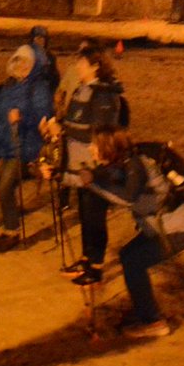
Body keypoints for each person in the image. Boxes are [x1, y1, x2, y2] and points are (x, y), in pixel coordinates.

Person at [75, 126, 184, 339]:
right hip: (170, 227)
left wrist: (92, 184)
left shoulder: (136, 165)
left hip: (178, 229)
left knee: (134, 260)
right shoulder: (125, 162)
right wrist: (59, 174)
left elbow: (126, 197)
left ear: (106, 147)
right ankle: (147, 313)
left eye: (94, 144)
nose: (90, 148)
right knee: (128, 256)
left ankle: (153, 322)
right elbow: (98, 177)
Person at [45, 42, 127, 280]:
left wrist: (63, 131)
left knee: (94, 215)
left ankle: (96, 266)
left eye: (81, 63)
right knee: (84, 213)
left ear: (95, 66)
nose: (77, 67)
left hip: (96, 166)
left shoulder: (104, 95)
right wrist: (56, 127)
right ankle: (85, 259)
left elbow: (99, 133)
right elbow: (75, 122)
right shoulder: (83, 89)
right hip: (79, 163)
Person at [0, 45, 52, 252]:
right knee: (4, 187)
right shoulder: (9, 86)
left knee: (5, 186)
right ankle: (9, 228)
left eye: (27, 62)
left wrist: (22, 118)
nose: (22, 66)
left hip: (25, 144)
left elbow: (43, 115)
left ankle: (13, 231)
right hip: (7, 142)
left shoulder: (39, 87)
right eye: (19, 61)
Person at [29, 26, 60, 98]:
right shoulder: (27, 54)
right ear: (33, 40)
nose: (40, 41)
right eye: (37, 38)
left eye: (42, 38)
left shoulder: (50, 57)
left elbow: (55, 78)